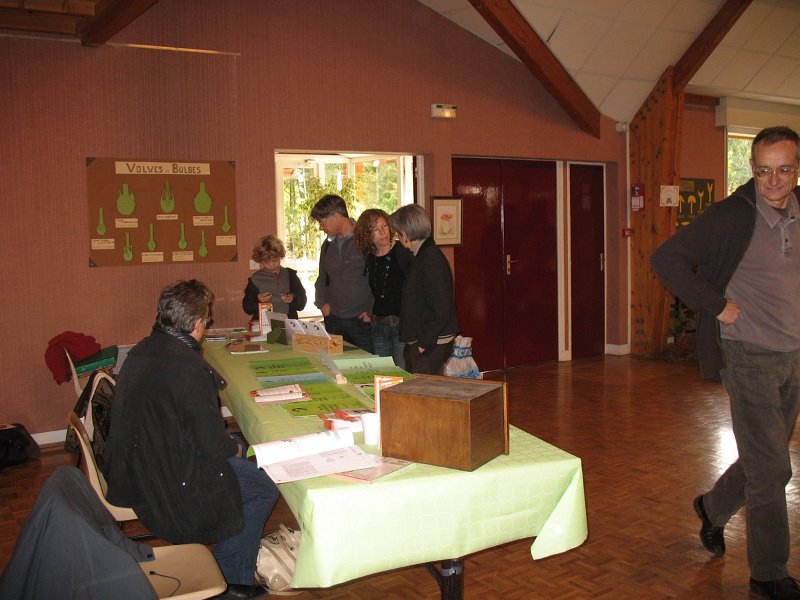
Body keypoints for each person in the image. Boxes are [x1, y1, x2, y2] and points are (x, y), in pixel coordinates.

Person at [651, 126, 800, 600]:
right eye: (762, 171)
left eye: (783, 169)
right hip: (749, 354)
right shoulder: (731, 217)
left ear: (796, 169)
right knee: (774, 467)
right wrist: (716, 305)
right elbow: (667, 258)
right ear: (752, 169)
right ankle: (769, 573)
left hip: (794, 355)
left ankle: (713, 508)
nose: (772, 180)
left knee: (764, 460)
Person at [103, 280, 278, 600]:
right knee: (263, 488)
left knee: (242, 452)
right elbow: (214, 448)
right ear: (198, 324)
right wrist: (238, 447)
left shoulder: (142, 350)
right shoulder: (190, 369)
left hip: (140, 467)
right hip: (171, 480)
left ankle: (232, 566)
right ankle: (231, 579)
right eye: (207, 319)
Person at [390, 204, 460, 375]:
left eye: (398, 234)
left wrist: (422, 344)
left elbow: (441, 309)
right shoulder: (423, 255)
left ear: (406, 234)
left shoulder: (429, 261)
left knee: (424, 392)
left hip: (431, 343)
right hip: (429, 340)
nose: (398, 238)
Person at [310, 194, 373, 352]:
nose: (320, 227)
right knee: (337, 370)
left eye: (322, 222)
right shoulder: (327, 245)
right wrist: (322, 304)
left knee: (365, 371)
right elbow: (322, 278)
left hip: (362, 321)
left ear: (336, 216)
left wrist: (371, 312)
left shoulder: (366, 240)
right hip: (334, 320)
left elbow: (378, 279)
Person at [353, 208, 413, 369]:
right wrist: (368, 311)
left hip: (400, 325)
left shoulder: (403, 252)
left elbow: (415, 289)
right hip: (378, 325)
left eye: (384, 226)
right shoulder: (369, 256)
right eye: (375, 229)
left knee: (402, 373)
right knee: (385, 374)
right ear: (367, 235)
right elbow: (374, 290)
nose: (382, 232)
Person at [242, 234, 307, 320]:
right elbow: (247, 308)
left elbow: (302, 303)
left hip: (288, 324)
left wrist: (293, 298)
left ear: (280, 256)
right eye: (266, 262)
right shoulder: (255, 279)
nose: (271, 265)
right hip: (264, 325)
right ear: (260, 260)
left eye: (275, 260)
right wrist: (257, 299)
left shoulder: (290, 275)